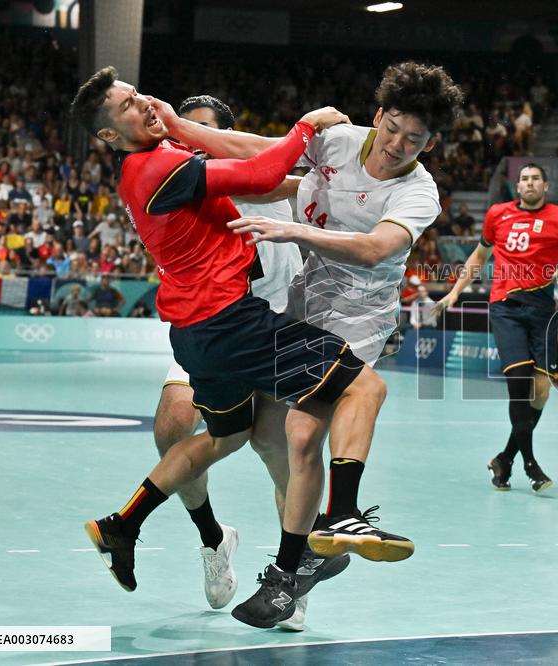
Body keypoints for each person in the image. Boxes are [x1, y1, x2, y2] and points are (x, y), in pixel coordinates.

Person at [70, 67, 405, 630]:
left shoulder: (157, 162)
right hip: (233, 323)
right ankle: (336, 522)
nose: (143, 103)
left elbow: (271, 177)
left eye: (138, 94)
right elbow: (263, 170)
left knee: (228, 437)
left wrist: (323, 185)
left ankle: (122, 525)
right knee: (363, 387)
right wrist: (309, 124)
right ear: (109, 134)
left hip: (200, 330)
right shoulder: (162, 166)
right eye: (128, 105)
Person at [158, 60, 463, 555]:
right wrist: (175, 125)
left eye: (414, 139)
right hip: (304, 299)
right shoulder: (340, 141)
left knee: (302, 433)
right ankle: (301, 558)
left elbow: (375, 248)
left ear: (430, 143)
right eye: (392, 128)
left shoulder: (418, 192)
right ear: (378, 115)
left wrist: (294, 230)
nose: (396, 145)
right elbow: (259, 149)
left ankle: (339, 520)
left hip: (359, 314)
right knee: (268, 438)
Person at [150, 94, 324, 632]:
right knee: (172, 428)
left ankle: (291, 578)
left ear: (226, 136)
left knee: (277, 451)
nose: (189, 140)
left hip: (272, 325)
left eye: (202, 130)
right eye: (182, 131)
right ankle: (213, 538)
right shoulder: (176, 182)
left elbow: (288, 184)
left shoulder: (260, 172)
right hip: (208, 324)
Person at [432, 163, 558, 492]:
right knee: (520, 381)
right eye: (524, 179)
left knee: (541, 391)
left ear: (546, 186)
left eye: (536, 178)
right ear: (518, 186)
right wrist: (455, 292)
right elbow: (479, 257)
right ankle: (530, 464)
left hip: (543, 310)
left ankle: (504, 458)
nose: (529, 183)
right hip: (506, 307)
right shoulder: (498, 214)